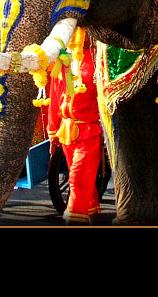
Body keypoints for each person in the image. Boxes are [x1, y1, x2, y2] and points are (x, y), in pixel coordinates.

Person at [46, 29, 103, 224]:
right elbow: (55, 96)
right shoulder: (64, 60)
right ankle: (94, 215)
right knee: (80, 179)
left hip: (90, 131)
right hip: (67, 132)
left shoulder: (98, 59)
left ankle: (73, 220)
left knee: (78, 180)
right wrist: (52, 132)